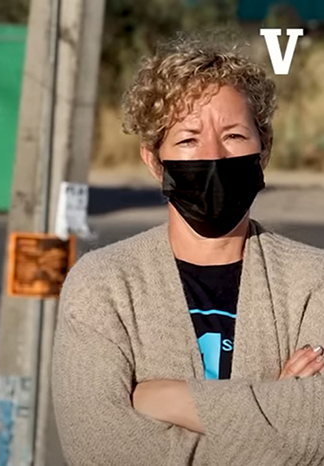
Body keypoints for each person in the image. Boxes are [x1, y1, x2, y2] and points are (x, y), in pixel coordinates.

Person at [51, 34, 324, 466]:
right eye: (188, 140)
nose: (214, 156)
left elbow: (317, 430)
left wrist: (169, 398)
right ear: (153, 160)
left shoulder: (313, 281)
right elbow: (99, 450)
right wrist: (275, 415)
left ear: (264, 150)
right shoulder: (104, 285)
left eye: (234, 135)